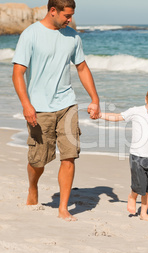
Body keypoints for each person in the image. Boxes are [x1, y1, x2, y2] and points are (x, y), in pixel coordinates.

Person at [12, 0, 100, 221]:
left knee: (69, 156)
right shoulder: (30, 35)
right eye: (66, 16)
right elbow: (18, 73)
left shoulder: (73, 37)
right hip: (39, 108)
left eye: (71, 16)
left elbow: (81, 67)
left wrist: (95, 99)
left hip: (67, 104)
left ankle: (63, 208)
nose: (69, 20)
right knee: (38, 160)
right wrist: (26, 105)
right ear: (53, 11)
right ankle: (33, 188)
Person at [100, 85, 148, 223]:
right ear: (146, 100)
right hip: (137, 156)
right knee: (139, 185)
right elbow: (118, 117)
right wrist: (101, 115)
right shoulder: (136, 111)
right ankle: (132, 196)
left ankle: (144, 212)